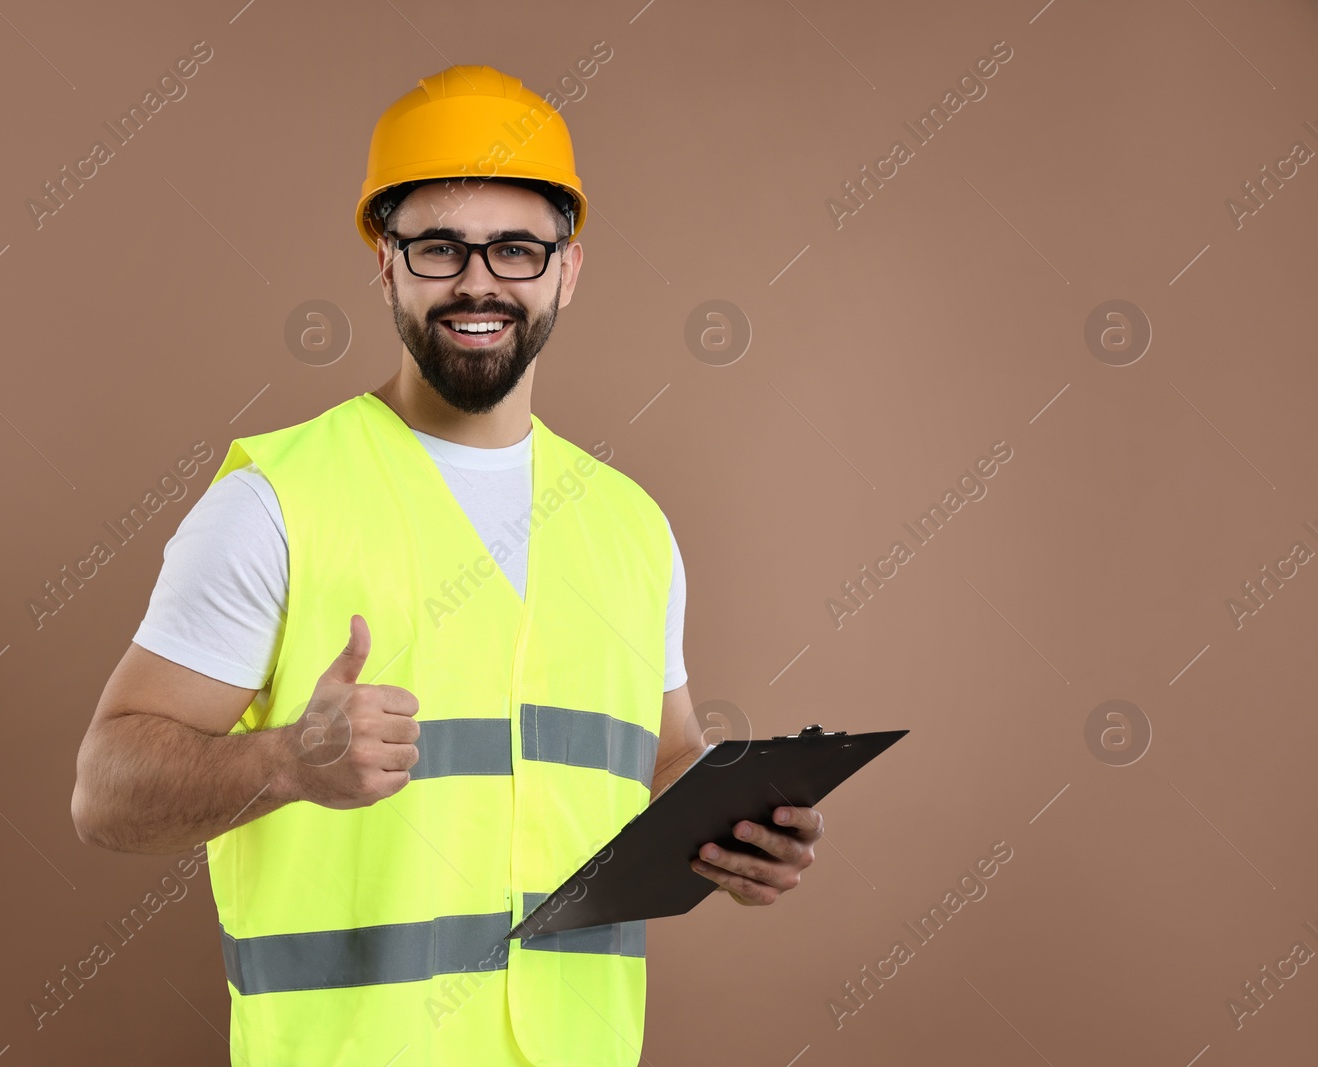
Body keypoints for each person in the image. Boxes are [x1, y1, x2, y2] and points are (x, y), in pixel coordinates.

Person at [70, 63, 822, 1066]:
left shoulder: (630, 526)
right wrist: (286, 760)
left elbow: (666, 756)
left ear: (568, 268)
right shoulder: (276, 501)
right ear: (386, 266)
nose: (479, 282)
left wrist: (739, 832)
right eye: (439, 248)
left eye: (516, 248)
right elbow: (103, 792)